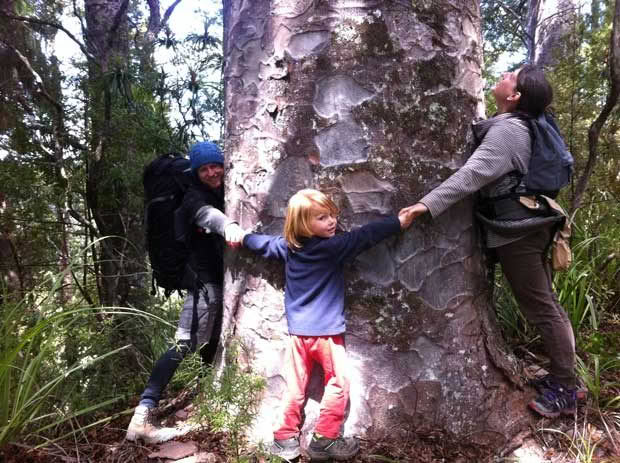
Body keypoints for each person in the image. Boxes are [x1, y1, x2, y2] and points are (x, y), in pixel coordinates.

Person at [401, 64, 578, 418]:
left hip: (520, 233)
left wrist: (425, 204)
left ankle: (566, 388)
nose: (505, 75)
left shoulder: (510, 131)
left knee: (541, 306)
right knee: (545, 303)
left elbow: (473, 174)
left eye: (512, 76)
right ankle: (564, 380)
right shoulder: (523, 125)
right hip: (530, 224)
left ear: (515, 97)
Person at [242, 189, 415, 460]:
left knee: (295, 386)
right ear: (301, 224)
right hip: (326, 336)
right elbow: (366, 235)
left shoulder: (288, 249)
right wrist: (398, 222)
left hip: (298, 335)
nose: (332, 221)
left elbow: (261, 243)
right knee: (338, 382)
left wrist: (240, 237)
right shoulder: (334, 247)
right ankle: (324, 439)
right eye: (322, 218)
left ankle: (285, 438)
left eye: (332, 215)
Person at [126, 141, 246, 443]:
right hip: (203, 281)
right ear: (196, 172)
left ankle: (207, 394)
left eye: (216, 165)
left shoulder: (223, 188)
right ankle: (143, 414)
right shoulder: (193, 196)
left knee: (213, 340)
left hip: (218, 278)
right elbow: (206, 215)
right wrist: (228, 226)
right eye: (204, 168)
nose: (212, 172)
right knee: (185, 342)